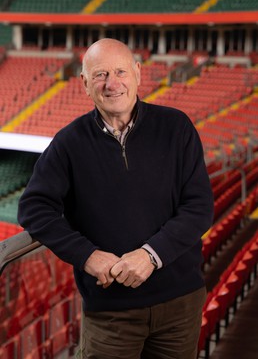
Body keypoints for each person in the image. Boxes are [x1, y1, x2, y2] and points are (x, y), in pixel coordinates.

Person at [18, 38, 214, 359]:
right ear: (84, 83)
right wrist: (87, 255)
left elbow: (199, 207)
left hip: (180, 304)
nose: (112, 84)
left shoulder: (176, 127)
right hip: (111, 312)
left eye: (121, 71)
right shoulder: (68, 142)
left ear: (137, 73)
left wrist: (151, 255)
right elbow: (34, 208)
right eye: (100, 75)